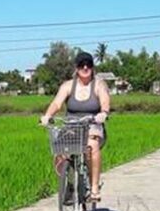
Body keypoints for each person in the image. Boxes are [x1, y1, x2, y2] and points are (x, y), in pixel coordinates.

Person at [39, 52, 111, 202]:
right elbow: (57, 103)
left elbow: (105, 101)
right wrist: (48, 116)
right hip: (72, 125)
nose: (85, 67)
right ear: (76, 68)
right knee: (61, 149)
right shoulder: (68, 86)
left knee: (91, 145)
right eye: (81, 65)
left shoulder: (98, 84)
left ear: (92, 67)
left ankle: (94, 188)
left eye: (88, 64)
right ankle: (70, 182)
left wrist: (103, 113)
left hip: (92, 124)